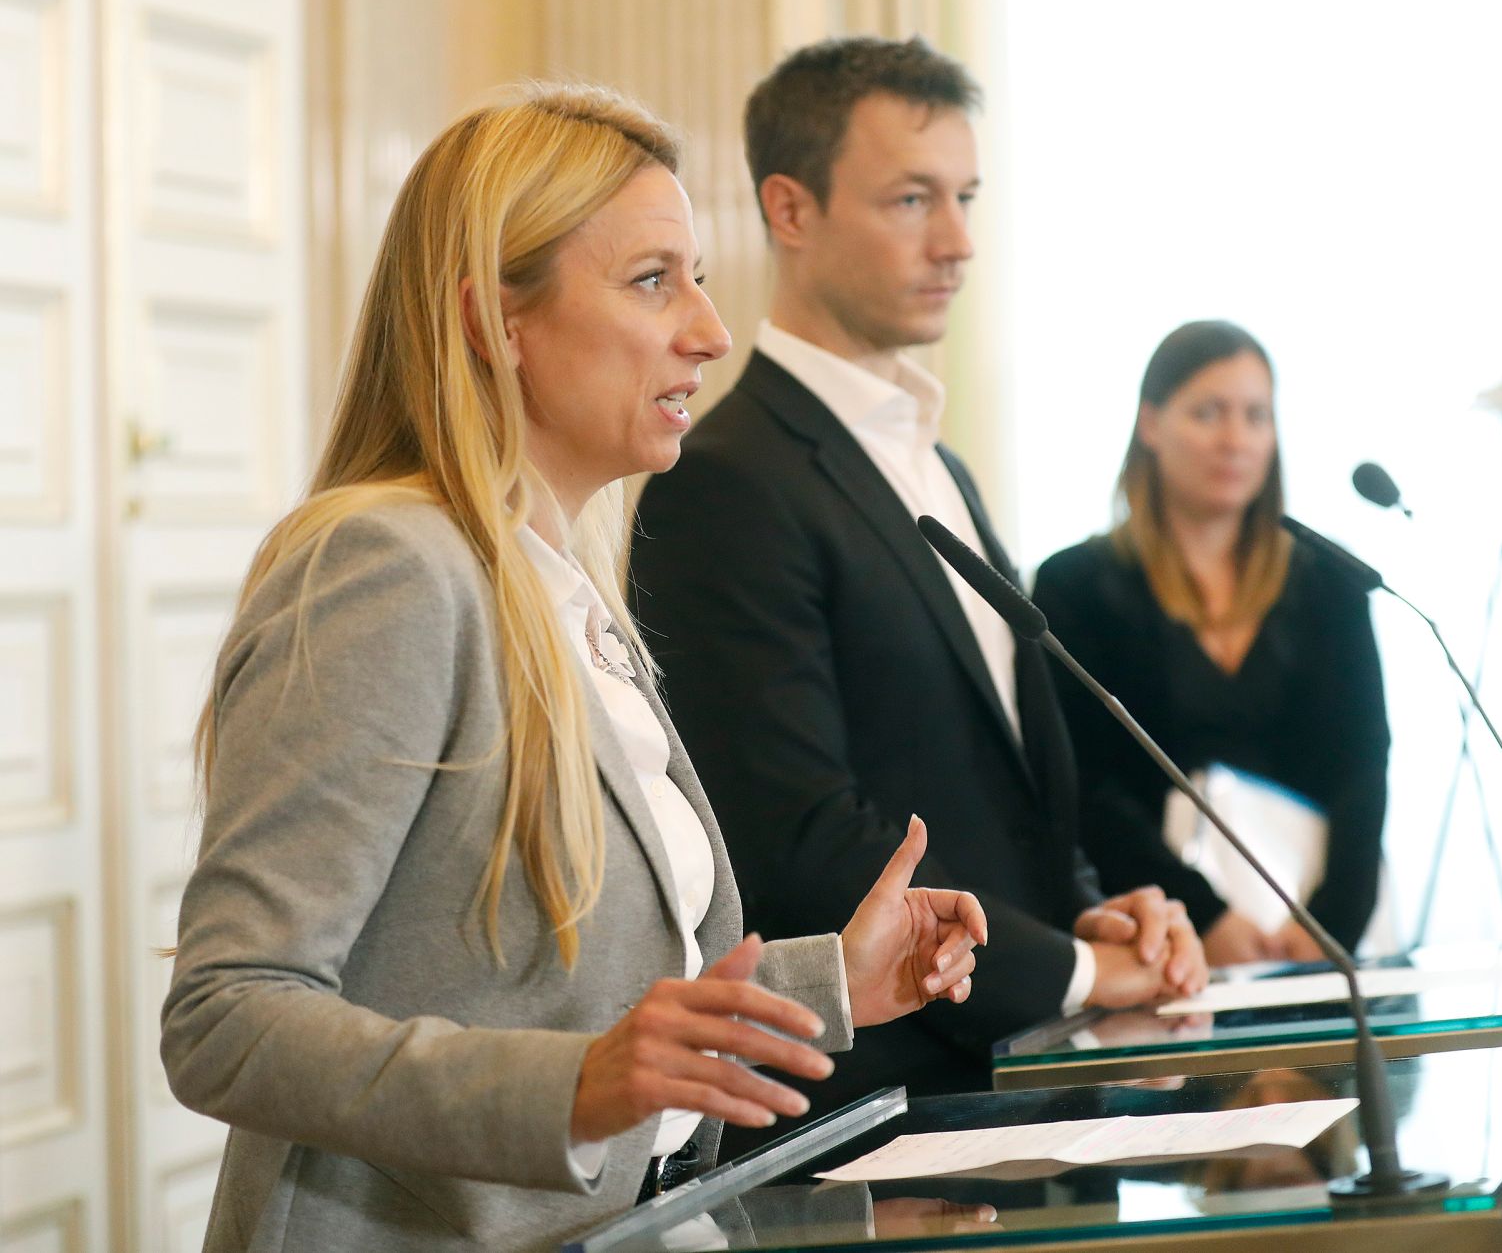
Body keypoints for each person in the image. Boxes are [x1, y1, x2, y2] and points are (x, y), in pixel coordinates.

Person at [160, 82, 990, 1253]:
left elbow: (554, 994)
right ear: (497, 320)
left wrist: (830, 984)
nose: (707, 328)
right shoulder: (386, 566)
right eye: (654, 280)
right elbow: (226, 1016)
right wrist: (576, 1088)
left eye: (697, 276)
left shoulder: (563, 580)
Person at [629, 37, 1206, 1148]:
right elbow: (804, 839)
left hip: (1026, 1081)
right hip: (879, 1120)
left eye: (966, 198)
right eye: (911, 200)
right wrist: (1087, 968)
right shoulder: (725, 477)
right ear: (788, 210)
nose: (957, 241)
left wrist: (1083, 909)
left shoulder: (943, 466)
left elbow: (1003, 785)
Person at [1032, 321, 1390, 963]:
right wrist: (1205, 918)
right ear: (1151, 423)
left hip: (1325, 940)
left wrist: (1331, 924)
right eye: (1207, 412)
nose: (1235, 440)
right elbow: (1087, 787)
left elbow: (1363, 768)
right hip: (1157, 940)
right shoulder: (1075, 586)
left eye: (1256, 416)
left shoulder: (1331, 581)